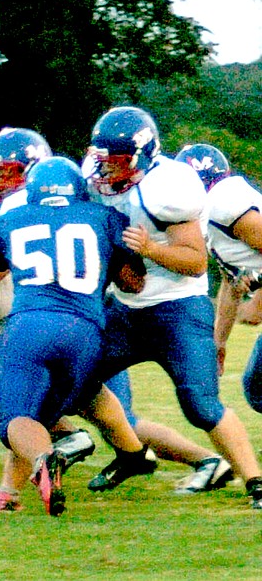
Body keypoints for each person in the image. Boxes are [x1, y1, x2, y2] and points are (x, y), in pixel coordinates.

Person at [85, 106, 262, 508]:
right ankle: (131, 455)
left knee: (201, 405)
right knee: (76, 380)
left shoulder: (170, 186)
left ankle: (256, 481)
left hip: (177, 309)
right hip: (126, 309)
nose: (107, 171)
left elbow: (195, 261)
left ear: (144, 157)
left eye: (117, 162)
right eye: (103, 161)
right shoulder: (96, 182)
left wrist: (149, 249)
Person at [0, 156, 148, 515]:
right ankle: (9, 494)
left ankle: (45, 458)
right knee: (44, 414)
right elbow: (134, 283)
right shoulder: (106, 218)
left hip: (30, 327)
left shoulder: (11, 220)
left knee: (16, 420)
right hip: (85, 333)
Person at [175, 143, 262, 414]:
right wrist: (219, 342)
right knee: (257, 387)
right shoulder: (213, 210)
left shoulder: (224, 202)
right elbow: (230, 282)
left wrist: (258, 299)